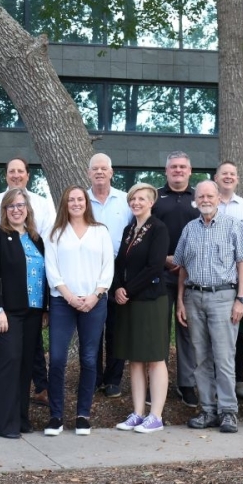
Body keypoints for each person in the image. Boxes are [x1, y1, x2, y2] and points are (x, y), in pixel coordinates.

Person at [175, 180, 243, 434]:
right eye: (201, 196)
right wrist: (180, 300)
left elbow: (242, 265)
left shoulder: (233, 225)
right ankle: (208, 410)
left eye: (210, 195)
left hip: (224, 297)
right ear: (195, 200)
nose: (205, 200)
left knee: (224, 357)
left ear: (218, 198)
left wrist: (241, 299)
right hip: (193, 298)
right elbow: (182, 268)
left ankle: (228, 411)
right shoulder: (189, 229)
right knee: (201, 358)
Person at [43, 186, 114, 437]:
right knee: (57, 358)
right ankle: (56, 416)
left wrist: (95, 295)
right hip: (63, 302)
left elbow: (108, 266)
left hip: (94, 302)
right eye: (71, 199)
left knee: (89, 358)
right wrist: (70, 297)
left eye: (80, 199)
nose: (75, 203)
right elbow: (52, 270)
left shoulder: (100, 231)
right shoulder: (55, 233)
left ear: (86, 202)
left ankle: (83, 415)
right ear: (65, 203)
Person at [0, 157, 53, 405]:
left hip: (33, 308)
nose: (16, 209)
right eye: (11, 206)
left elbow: (45, 266)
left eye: (21, 206)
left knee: (26, 360)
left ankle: (22, 417)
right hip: (8, 308)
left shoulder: (36, 236)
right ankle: (6, 419)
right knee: (11, 360)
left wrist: (45, 307)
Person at [110, 183, 171, 434]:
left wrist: (128, 290)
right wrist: (117, 287)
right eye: (133, 199)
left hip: (151, 300)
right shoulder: (129, 230)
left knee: (154, 357)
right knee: (134, 358)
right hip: (129, 301)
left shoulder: (158, 228)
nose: (136, 203)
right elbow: (119, 263)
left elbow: (154, 267)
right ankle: (137, 413)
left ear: (151, 202)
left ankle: (155, 416)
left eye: (141, 199)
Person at [151, 151, 201, 409]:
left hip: (192, 275)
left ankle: (186, 384)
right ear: (166, 170)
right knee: (159, 330)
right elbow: (145, 233)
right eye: (173, 167)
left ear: (190, 171)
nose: (178, 170)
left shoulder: (199, 197)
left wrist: (185, 261)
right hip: (160, 273)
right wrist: (164, 259)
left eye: (183, 166)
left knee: (187, 330)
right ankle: (156, 383)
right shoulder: (155, 197)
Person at [213, 161, 243, 403]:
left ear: (238, 179)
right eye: (224, 173)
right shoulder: (205, 203)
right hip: (210, 279)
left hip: (238, 278)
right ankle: (213, 380)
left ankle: (238, 378)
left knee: (236, 329)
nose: (228, 177)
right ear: (216, 177)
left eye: (232, 174)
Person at [87, 153, 131, 399]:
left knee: (116, 327)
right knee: (93, 328)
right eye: (95, 168)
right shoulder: (81, 200)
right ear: (89, 173)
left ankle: (113, 379)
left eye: (104, 168)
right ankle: (93, 377)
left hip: (119, 269)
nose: (100, 172)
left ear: (111, 172)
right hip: (89, 269)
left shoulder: (125, 200)